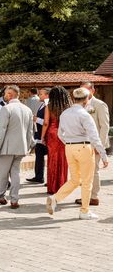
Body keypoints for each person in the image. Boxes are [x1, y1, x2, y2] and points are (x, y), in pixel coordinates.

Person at [46, 87, 109, 220]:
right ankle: (84, 211)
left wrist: (69, 143)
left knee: (75, 179)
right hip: (84, 147)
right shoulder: (85, 114)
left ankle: (55, 198)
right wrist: (103, 155)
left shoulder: (64, 113)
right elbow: (94, 136)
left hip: (69, 147)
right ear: (86, 100)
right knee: (87, 181)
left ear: (74, 98)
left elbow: (60, 134)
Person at [0, 85, 34, 209]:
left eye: (7, 93)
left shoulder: (6, 109)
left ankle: (0, 197)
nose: (5, 95)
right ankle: (14, 199)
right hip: (21, 147)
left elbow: (1, 130)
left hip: (7, 147)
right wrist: (28, 146)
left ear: (10, 95)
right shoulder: (27, 110)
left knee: (3, 174)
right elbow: (30, 132)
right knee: (15, 173)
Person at [75, 82, 110, 206]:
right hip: (82, 144)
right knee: (84, 172)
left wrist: (98, 146)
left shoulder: (99, 105)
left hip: (94, 144)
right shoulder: (79, 106)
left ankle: (94, 197)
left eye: (85, 90)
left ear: (92, 91)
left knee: (93, 171)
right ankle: (86, 195)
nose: (82, 93)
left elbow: (104, 126)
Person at [41, 86, 70, 195]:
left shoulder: (49, 106)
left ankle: (52, 187)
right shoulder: (68, 107)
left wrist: (42, 137)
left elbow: (46, 123)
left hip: (52, 134)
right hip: (64, 134)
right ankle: (63, 186)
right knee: (63, 159)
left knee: (52, 159)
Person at [27, 87, 50, 184]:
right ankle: (38, 176)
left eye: (41, 94)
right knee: (39, 156)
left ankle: (46, 178)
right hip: (39, 134)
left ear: (47, 95)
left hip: (45, 135)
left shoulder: (48, 106)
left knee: (45, 157)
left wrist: (36, 119)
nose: (39, 95)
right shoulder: (42, 105)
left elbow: (47, 122)